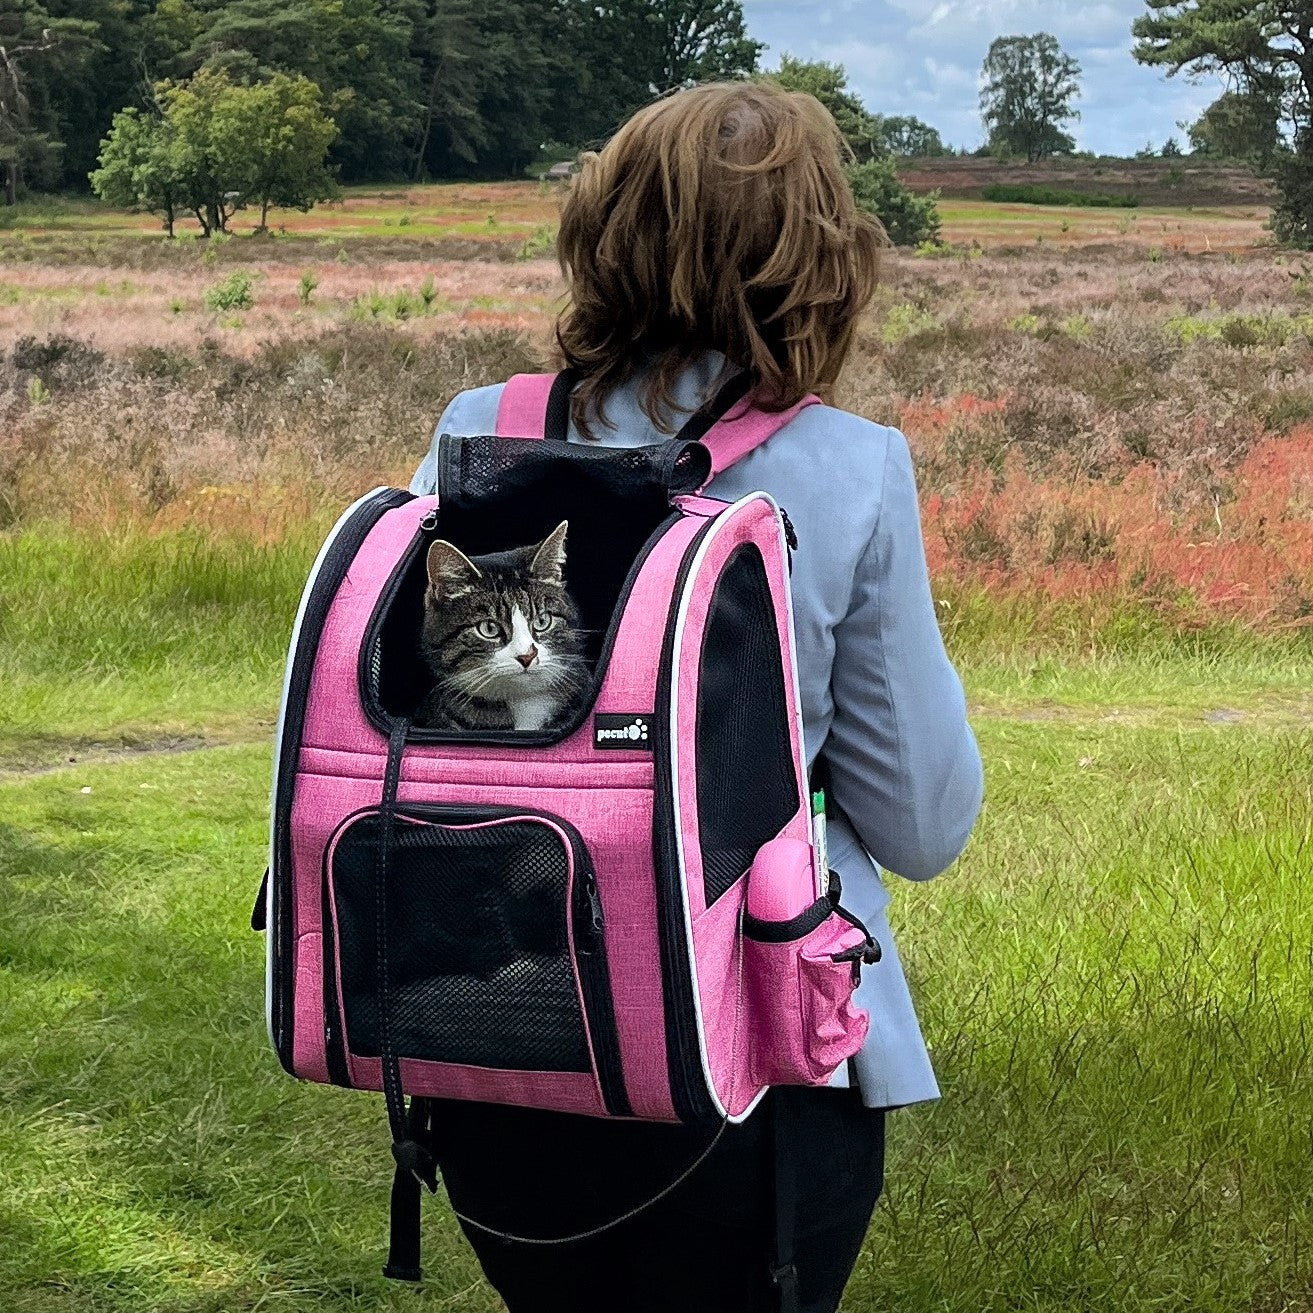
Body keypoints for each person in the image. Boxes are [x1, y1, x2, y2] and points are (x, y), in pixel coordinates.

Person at [408, 79, 984, 1313]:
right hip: (757, 1065)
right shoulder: (848, 466)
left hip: (509, 1041)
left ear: (604, 230)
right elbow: (926, 824)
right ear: (822, 252)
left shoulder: (476, 434)